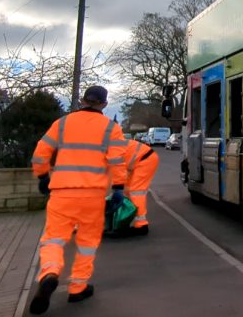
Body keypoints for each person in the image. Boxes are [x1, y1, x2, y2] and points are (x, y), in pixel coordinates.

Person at [29, 85, 127, 315]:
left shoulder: (62, 123)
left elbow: (40, 153)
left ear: (83, 100)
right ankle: (78, 287)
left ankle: (50, 274)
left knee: (53, 239)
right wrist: (119, 188)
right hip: (93, 195)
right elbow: (117, 161)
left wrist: (43, 176)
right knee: (87, 242)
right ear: (103, 104)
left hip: (61, 193)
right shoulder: (111, 128)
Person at [121, 137, 159, 235]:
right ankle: (128, 217)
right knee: (127, 190)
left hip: (145, 160)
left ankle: (141, 225)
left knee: (136, 191)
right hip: (139, 160)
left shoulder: (106, 149)